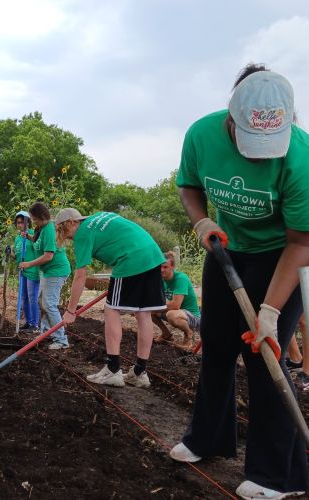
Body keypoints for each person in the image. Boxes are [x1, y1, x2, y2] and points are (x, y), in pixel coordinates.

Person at [170, 64, 309, 498]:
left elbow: (301, 242)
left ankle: (278, 477)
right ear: (232, 118)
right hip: (225, 248)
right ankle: (207, 439)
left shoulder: (302, 157)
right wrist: (202, 221)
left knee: (265, 357)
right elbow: (189, 186)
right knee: (216, 346)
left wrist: (270, 312)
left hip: (281, 256)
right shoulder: (202, 134)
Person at [56, 208, 166, 387]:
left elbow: (80, 276)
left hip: (130, 259)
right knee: (143, 314)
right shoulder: (100, 216)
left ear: (71, 223)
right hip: (153, 256)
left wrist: (70, 311)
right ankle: (139, 373)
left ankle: (113, 370)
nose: (70, 238)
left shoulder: (82, 233)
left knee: (111, 310)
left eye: (67, 234)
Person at [19, 202, 71, 349]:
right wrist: (28, 237)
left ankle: (61, 340)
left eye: (34, 219)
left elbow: (48, 255)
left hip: (57, 270)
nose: (33, 221)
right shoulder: (41, 229)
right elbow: (39, 243)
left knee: (49, 304)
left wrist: (29, 264)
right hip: (48, 271)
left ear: (42, 217)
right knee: (42, 301)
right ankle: (47, 332)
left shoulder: (49, 229)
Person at [153, 251, 201, 349]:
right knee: (147, 310)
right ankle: (166, 334)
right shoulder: (160, 280)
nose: (162, 270)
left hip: (192, 316)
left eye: (165, 267)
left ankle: (189, 335)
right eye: (160, 267)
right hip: (175, 312)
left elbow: (176, 305)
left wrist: (154, 308)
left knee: (170, 314)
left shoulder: (180, 278)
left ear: (172, 267)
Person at [13, 210, 41, 334]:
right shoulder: (18, 238)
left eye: (22, 222)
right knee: (23, 298)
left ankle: (35, 325)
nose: (20, 225)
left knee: (32, 298)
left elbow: (38, 252)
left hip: (33, 271)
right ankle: (29, 322)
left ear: (28, 223)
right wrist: (11, 253)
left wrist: (34, 267)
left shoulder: (32, 235)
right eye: (18, 223)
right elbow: (19, 255)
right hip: (23, 272)